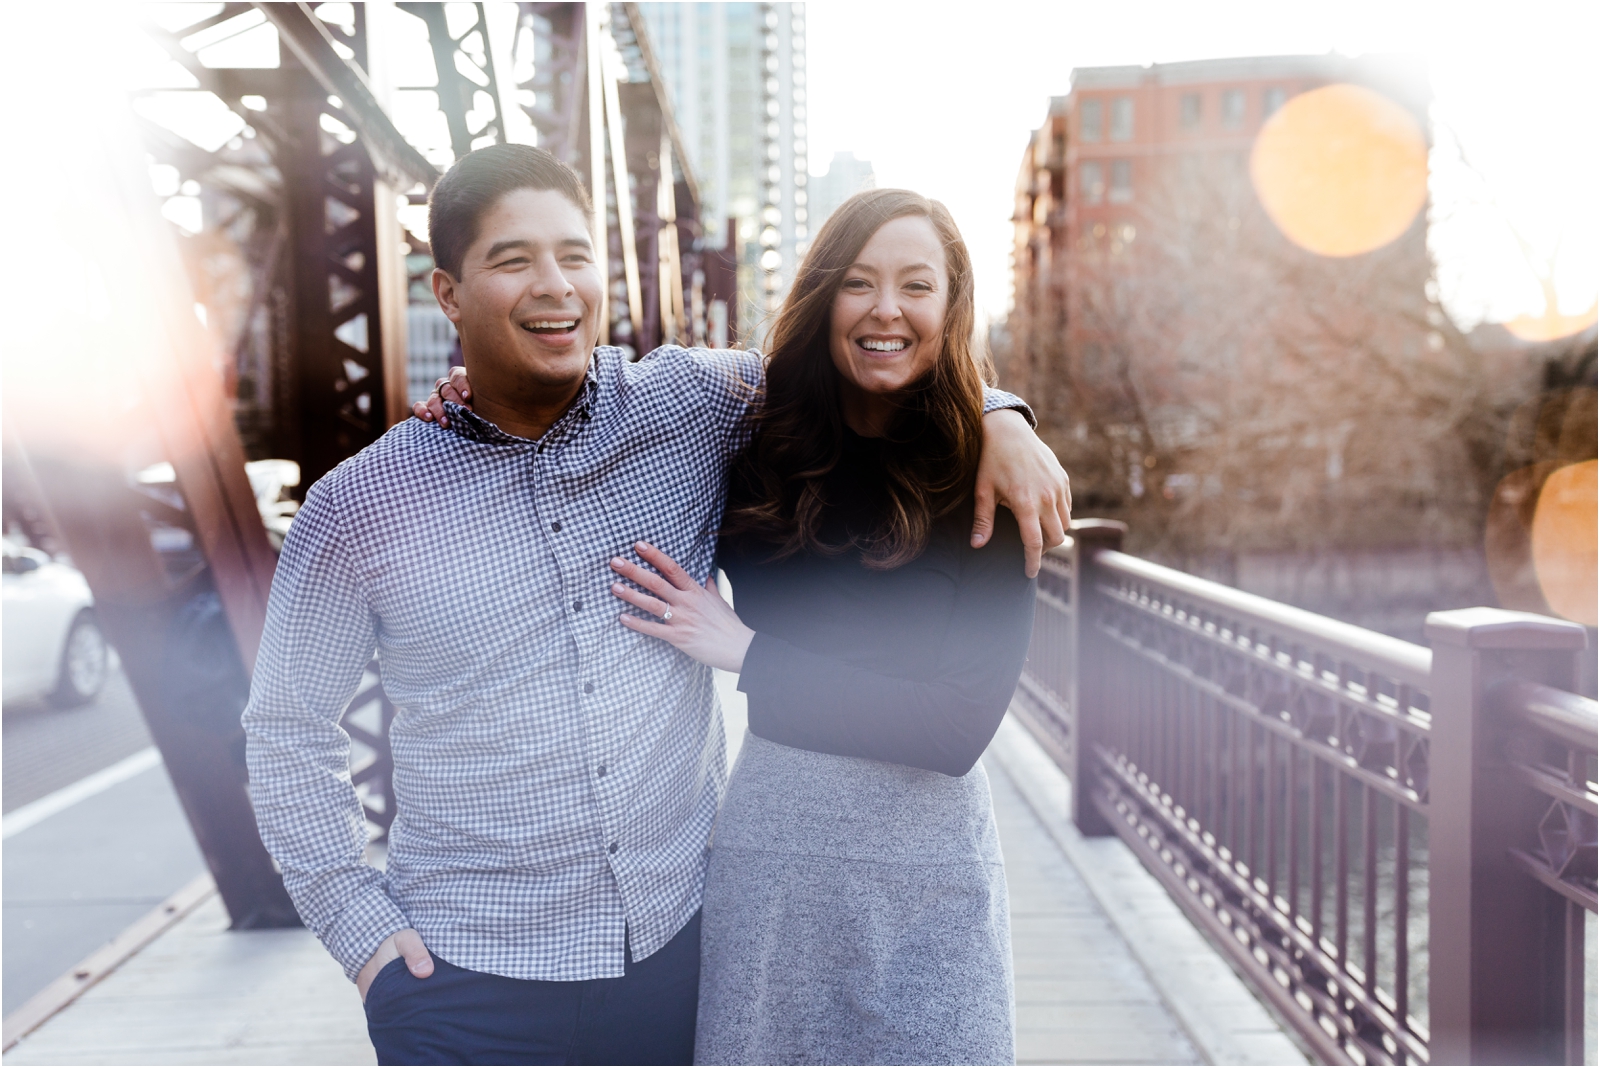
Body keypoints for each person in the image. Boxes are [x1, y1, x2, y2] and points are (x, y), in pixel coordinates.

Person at [243, 143, 1069, 1066]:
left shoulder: (687, 407)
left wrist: (1004, 416)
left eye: (575, 255)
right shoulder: (359, 506)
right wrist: (359, 930)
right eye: (514, 260)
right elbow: (286, 727)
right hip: (462, 983)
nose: (554, 286)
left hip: (676, 957)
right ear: (447, 292)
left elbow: (866, 357)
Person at [602, 188, 1035, 1064]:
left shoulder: (989, 476)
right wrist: (475, 400)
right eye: (859, 284)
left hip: (931, 875)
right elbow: (590, 415)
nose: (887, 310)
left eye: (917, 286)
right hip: (776, 865)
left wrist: (749, 654)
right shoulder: (748, 440)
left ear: (951, 307)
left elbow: (952, 729)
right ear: (822, 296)